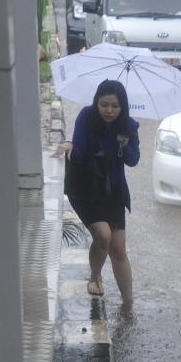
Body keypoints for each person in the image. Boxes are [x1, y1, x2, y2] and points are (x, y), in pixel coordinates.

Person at [53, 80, 140, 303]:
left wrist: (124, 143)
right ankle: (95, 276)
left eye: (115, 106)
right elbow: (80, 153)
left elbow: (133, 160)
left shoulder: (128, 127)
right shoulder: (86, 118)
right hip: (85, 188)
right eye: (104, 105)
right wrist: (70, 144)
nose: (109, 110)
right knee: (103, 235)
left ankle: (128, 305)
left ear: (123, 107)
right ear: (97, 103)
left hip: (113, 190)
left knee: (118, 248)